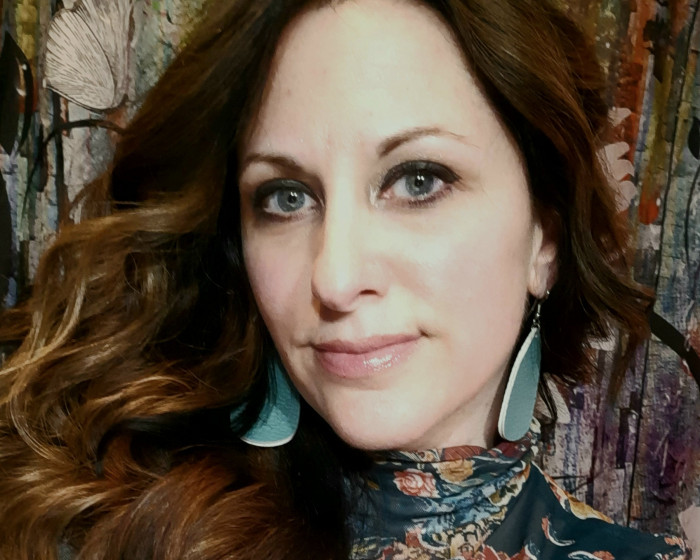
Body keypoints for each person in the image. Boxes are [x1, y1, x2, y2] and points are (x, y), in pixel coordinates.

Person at [0, 0, 691, 559]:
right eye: (285, 197)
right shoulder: (113, 528)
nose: (334, 277)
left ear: (544, 239)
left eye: (418, 180)